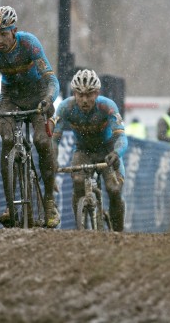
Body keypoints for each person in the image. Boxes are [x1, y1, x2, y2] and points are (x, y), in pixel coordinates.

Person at [0, 6, 60, 228]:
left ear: (14, 31)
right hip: (11, 95)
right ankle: (11, 206)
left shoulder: (29, 43)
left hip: (38, 93)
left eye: (3, 33)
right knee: (8, 140)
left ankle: (49, 201)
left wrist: (48, 100)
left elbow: (52, 80)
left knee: (41, 140)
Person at [51, 69, 127, 232]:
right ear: (74, 94)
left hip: (108, 151)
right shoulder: (65, 107)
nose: (84, 100)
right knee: (78, 181)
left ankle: (120, 233)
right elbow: (54, 140)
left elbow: (121, 137)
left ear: (97, 93)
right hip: (83, 151)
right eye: (80, 95)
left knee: (114, 189)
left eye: (89, 95)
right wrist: (53, 160)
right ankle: (81, 223)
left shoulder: (107, 106)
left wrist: (116, 153)